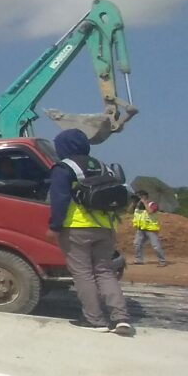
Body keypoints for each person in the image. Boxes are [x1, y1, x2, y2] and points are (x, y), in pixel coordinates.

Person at [46, 128, 133, 335]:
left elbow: (59, 200)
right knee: (105, 272)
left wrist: (54, 226)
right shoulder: (103, 167)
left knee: (83, 274)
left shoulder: (64, 167)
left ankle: (94, 320)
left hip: (76, 228)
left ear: (63, 147)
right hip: (105, 227)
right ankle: (121, 318)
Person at [132, 191, 166, 267]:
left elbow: (150, 211)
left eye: (139, 197)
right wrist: (134, 203)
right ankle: (139, 260)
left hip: (151, 229)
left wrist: (144, 202)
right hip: (140, 228)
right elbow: (128, 211)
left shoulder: (152, 204)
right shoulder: (138, 206)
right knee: (137, 244)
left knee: (155, 246)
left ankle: (162, 261)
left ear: (144, 196)